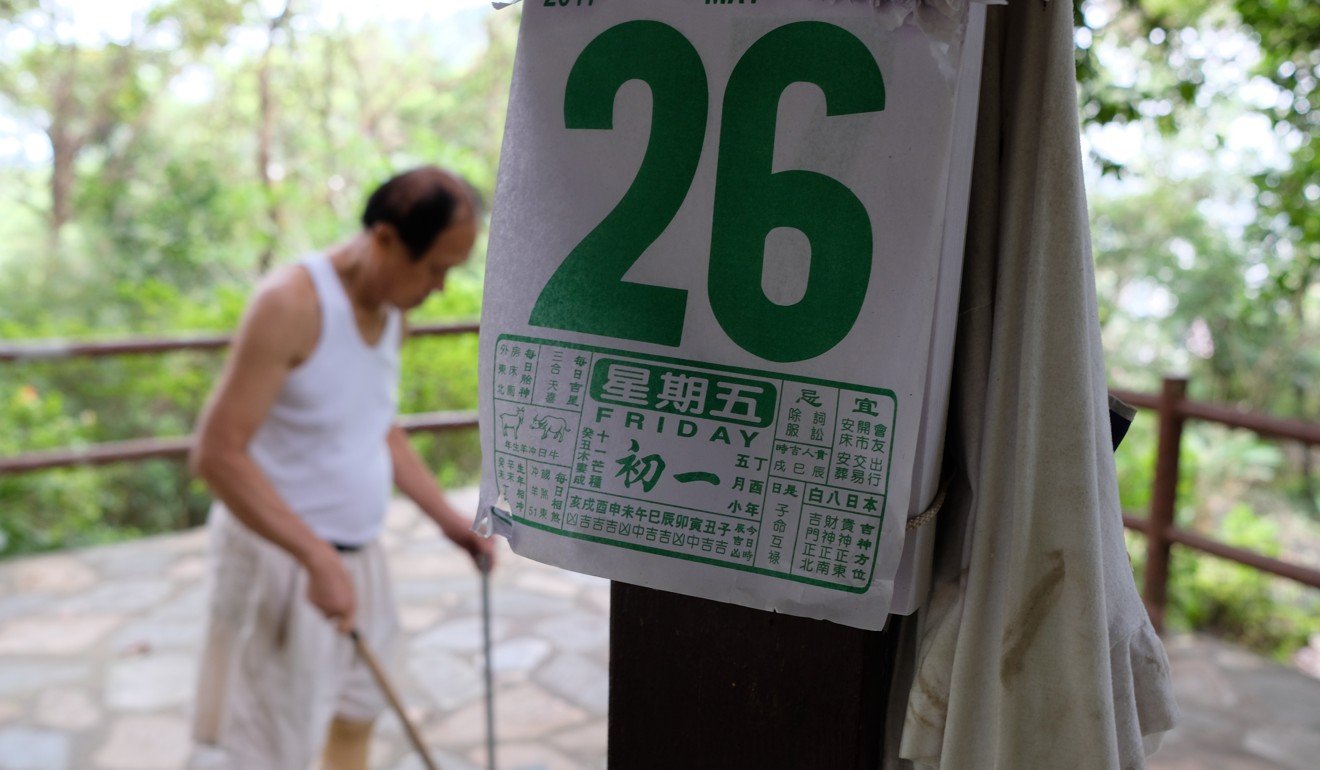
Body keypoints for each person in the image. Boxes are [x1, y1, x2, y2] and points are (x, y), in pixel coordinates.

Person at [188, 166, 494, 770]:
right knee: (269, 745)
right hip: (281, 560)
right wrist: (315, 557)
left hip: (358, 553)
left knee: (358, 710)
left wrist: (448, 522)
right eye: (434, 267)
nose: (439, 288)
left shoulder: (393, 313)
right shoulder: (290, 304)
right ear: (383, 239)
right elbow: (217, 455)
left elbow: (378, 428)